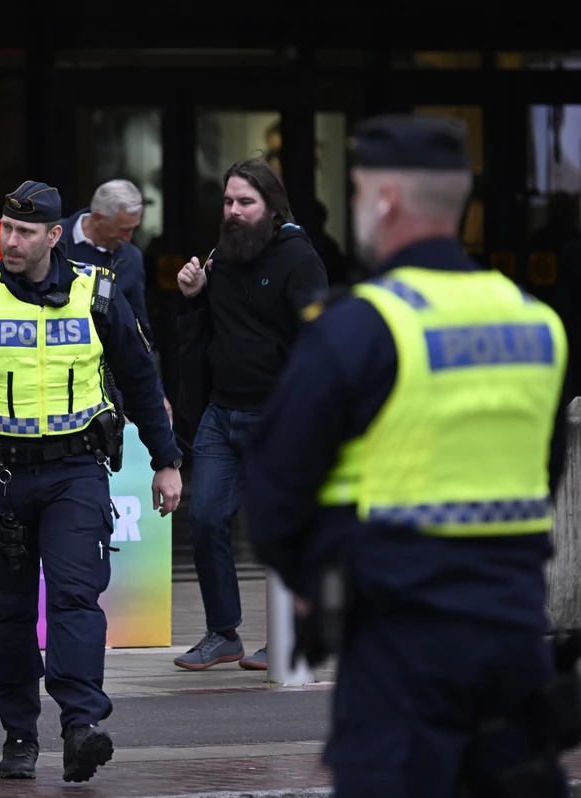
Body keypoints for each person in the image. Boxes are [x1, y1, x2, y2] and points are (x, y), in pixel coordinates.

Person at [245, 114, 573, 796]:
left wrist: (312, 587)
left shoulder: (361, 325)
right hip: (515, 642)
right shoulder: (536, 323)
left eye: (361, 191)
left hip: (401, 650)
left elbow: (275, 487)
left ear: (386, 200)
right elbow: (542, 472)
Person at [0, 181, 184, 782]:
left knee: (74, 598)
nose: (12, 240)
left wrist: (167, 460)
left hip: (74, 472)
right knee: (8, 613)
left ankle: (82, 725)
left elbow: (141, 379)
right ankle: (19, 732)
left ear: (55, 236)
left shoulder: (98, 294)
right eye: (7, 228)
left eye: (26, 232)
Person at [173, 159, 327, 672]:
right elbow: (205, 333)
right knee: (205, 518)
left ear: (271, 207)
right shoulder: (223, 255)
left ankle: (288, 635)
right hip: (223, 412)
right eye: (228, 202)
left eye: (245, 202)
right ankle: (224, 634)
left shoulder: (297, 258)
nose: (234, 211)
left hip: (277, 415)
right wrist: (194, 298)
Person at [58, 178, 171, 423]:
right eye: (123, 230)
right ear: (98, 217)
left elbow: (139, 331)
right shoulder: (53, 240)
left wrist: (156, 393)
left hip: (106, 388)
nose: (129, 238)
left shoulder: (131, 258)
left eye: (133, 229)